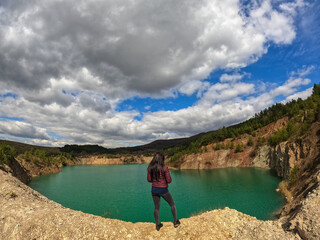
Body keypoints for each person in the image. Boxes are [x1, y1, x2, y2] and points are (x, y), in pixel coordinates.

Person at [147, 152, 180, 231]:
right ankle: (175, 221)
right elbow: (169, 180)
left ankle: (158, 224)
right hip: (163, 190)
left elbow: (149, 180)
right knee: (172, 204)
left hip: (154, 190)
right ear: (162, 159)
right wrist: (163, 180)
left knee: (156, 208)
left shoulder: (150, 168)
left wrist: (155, 181)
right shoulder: (164, 167)